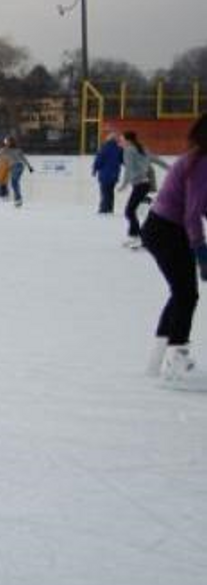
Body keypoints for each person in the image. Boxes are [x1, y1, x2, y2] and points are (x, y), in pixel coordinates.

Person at [140, 114, 207, 389]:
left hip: (164, 227)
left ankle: (157, 361)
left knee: (180, 293)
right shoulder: (202, 162)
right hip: (166, 229)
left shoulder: (198, 158)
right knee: (186, 294)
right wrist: (202, 253)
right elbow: (192, 213)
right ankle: (177, 360)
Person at [118, 131, 169, 249]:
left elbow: (129, 169)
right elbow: (156, 160)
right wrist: (171, 168)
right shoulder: (140, 148)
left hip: (141, 184)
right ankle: (137, 236)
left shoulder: (128, 150)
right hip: (144, 184)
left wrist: (125, 183)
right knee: (131, 210)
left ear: (128, 140)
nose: (120, 141)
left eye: (122, 139)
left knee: (130, 211)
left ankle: (139, 237)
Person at [0, 137, 34, 207]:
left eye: (7, 141)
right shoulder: (5, 150)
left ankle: (18, 199)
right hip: (15, 167)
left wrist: (29, 167)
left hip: (17, 166)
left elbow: (23, 159)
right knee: (14, 183)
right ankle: (18, 199)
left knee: (14, 182)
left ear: (11, 142)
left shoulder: (14, 150)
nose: (6, 143)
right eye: (6, 142)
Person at [93, 132, 124, 214]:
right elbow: (122, 161)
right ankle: (110, 208)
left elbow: (99, 160)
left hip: (105, 174)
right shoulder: (119, 149)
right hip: (114, 174)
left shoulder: (104, 148)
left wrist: (95, 169)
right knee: (110, 192)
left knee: (104, 192)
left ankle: (104, 209)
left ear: (108, 139)